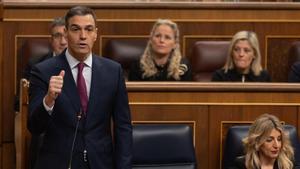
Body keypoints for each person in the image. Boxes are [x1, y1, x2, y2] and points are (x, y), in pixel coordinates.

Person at [28, 6, 132, 169]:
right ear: (66, 32)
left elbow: (123, 126)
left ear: (96, 34)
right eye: (76, 29)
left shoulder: (113, 71)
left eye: (88, 29)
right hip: (58, 163)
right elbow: (34, 127)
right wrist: (48, 100)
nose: (83, 36)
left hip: (100, 162)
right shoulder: (43, 71)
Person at [128, 19, 192, 81]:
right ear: (151, 40)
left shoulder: (183, 66)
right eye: (158, 36)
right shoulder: (137, 66)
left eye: (167, 37)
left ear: (175, 44)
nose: (161, 40)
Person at [230, 114, 294, 169]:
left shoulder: (289, 165)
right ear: (257, 142)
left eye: (279, 139)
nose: (276, 145)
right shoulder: (241, 165)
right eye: (269, 140)